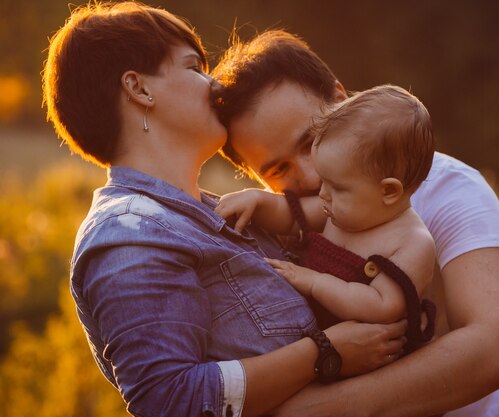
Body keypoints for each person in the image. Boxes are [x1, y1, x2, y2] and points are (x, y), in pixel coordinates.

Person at [42, 4, 407, 417]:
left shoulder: (222, 214)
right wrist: (324, 352)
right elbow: (169, 400)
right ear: (139, 89)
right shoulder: (129, 233)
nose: (214, 84)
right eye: (194, 67)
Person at [212, 30, 499, 416]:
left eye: (311, 141)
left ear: (342, 102)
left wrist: (313, 409)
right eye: (278, 169)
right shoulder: (278, 218)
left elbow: (497, 351)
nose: (311, 176)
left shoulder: (450, 189)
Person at [215, 85, 437, 352]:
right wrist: (258, 201)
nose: (322, 194)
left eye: (337, 188)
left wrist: (315, 282)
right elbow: (290, 217)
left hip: (369, 358)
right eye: (325, 182)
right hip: (311, 338)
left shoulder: (412, 242)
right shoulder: (338, 211)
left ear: (388, 191)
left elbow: (382, 305)